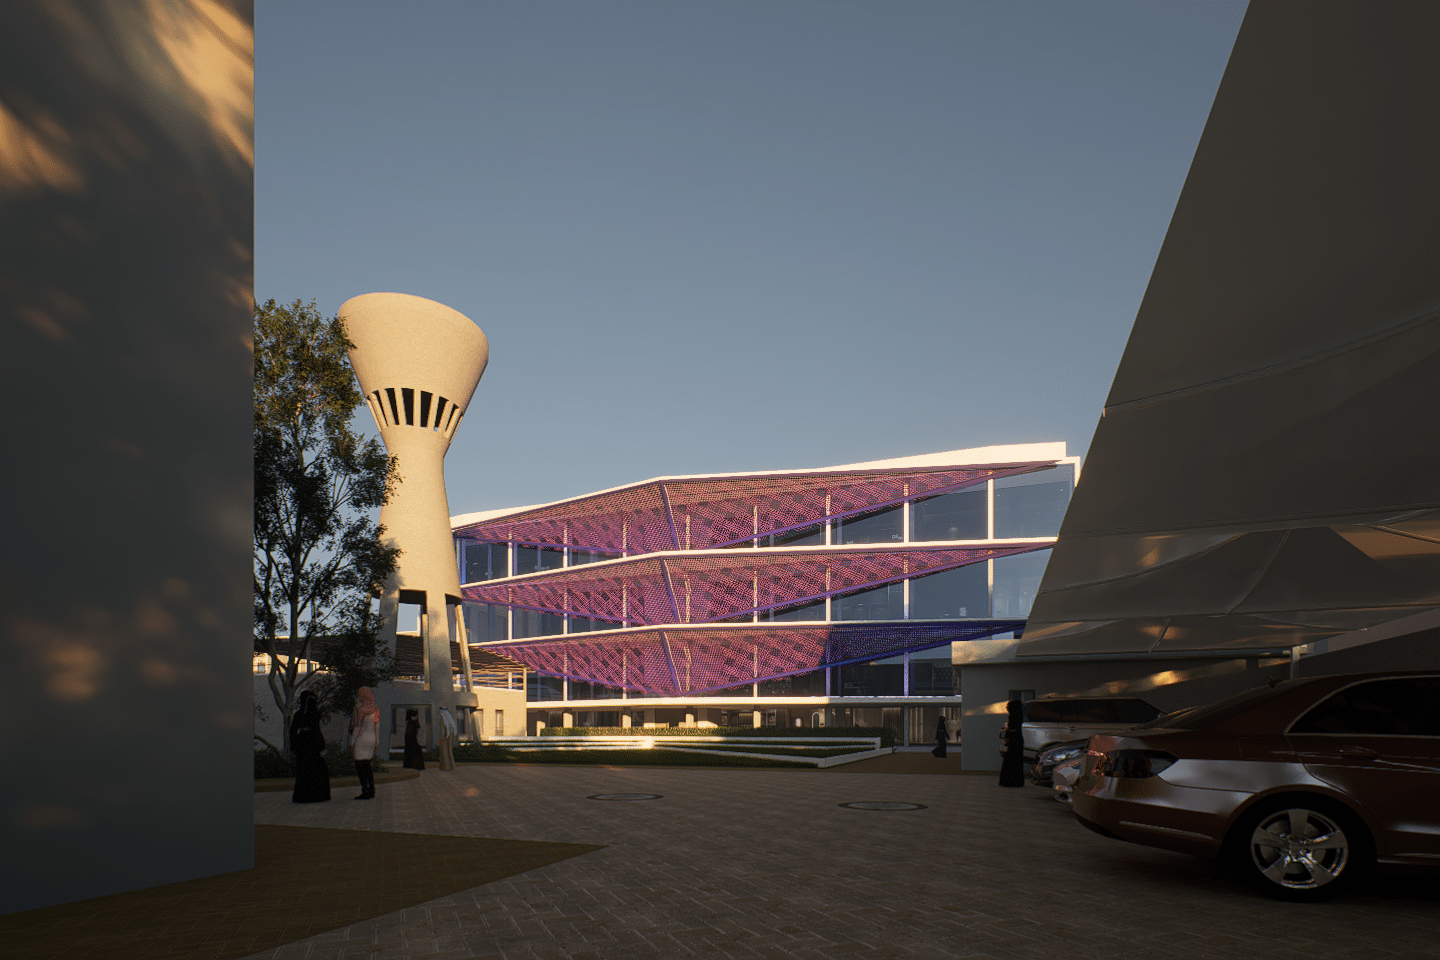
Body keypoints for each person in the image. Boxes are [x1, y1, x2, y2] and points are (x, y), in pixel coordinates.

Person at [290, 690, 330, 803]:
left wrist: (294, 745)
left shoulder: (299, 714)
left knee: (304, 770)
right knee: (315, 769)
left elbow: (292, 731)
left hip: (302, 744)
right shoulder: (314, 714)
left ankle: (303, 796)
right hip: (311, 744)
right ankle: (317, 795)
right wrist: (321, 746)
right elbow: (317, 730)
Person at [349, 686, 380, 800]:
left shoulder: (358, 708)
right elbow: (377, 726)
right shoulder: (375, 708)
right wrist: (377, 741)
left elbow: (357, 727)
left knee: (359, 766)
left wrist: (352, 743)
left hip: (361, 739)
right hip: (371, 739)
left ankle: (365, 790)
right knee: (367, 765)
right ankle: (372, 790)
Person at [437, 706, 457, 771]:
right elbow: (454, 731)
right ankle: (452, 766)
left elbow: (443, 730)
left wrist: (441, 739)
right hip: (450, 737)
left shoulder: (442, 719)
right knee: (449, 751)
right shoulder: (451, 720)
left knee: (444, 753)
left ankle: (445, 767)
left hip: (445, 738)